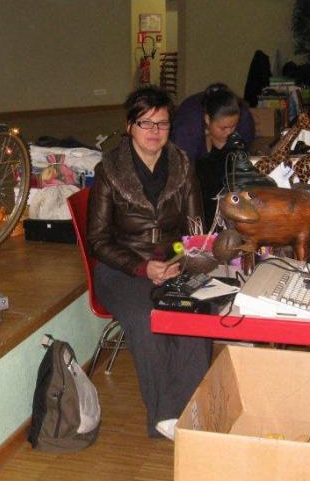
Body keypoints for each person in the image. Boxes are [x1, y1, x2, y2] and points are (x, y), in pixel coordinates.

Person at [88, 86, 210, 440]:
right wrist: (143, 268)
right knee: (147, 316)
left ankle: (190, 411)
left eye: (163, 123)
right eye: (146, 123)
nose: (155, 131)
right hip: (121, 267)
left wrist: (180, 260)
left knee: (195, 310)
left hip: (173, 264)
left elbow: (194, 230)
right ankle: (165, 417)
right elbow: (98, 241)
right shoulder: (109, 170)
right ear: (130, 126)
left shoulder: (183, 166)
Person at [171, 83, 254, 227]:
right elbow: (183, 181)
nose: (229, 132)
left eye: (233, 127)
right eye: (223, 128)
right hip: (195, 172)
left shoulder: (244, 121)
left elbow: (242, 168)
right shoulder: (187, 130)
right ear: (207, 120)